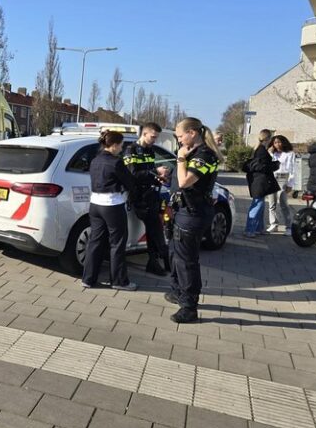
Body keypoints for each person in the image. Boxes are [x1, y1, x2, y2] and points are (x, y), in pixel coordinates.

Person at [165, 117, 221, 323]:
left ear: (192, 133)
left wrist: (180, 159)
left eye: (180, 136)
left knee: (186, 261)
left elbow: (185, 181)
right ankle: (177, 291)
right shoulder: (193, 153)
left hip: (193, 213)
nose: (179, 141)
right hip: (182, 211)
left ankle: (189, 307)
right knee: (175, 254)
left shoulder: (205, 155)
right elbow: (178, 179)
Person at [82, 130, 138, 291]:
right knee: (117, 243)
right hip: (112, 205)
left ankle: (88, 279)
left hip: (95, 204)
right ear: (113, 145)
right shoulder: (116, 162)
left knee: (95, 241)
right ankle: (119, 281)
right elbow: (130, 182)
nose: (122, 148)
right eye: (121, 145)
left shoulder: (95, 160)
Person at [123, 121, 170, 276]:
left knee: (153, 229)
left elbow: (148, 173)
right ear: (144, 133)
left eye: (156, 137)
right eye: (152, 137)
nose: (154, 140)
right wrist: (155, 171)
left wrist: (159, 177)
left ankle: (154, 261)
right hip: (139, 197)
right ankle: (161, 259)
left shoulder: (150, 150)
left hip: (151, 195)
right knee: (155, 228)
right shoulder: (131, 150)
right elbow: (133, 174)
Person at [242, 129, 279, 238]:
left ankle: (259, 228)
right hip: (259, 182)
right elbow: (261, 166)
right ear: (267, 139)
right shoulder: (261, 151)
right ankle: (249, 229)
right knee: (257, 205)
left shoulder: (259, 149)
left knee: (260, 205)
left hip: (258, 181)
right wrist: (275, 165)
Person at [267, 134, 295, 235]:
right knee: (272, 203)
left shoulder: (289, 153)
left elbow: (292, 169)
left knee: (283, 204)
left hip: (283, 178)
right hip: (272, 178)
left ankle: (289, 227)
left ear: (283, 142)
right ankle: (273, 224)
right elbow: (268, 164)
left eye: (279, 142)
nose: (277, 144)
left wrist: (290, 183)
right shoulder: (272, 153)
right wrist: (269, 153)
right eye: (275, 143)